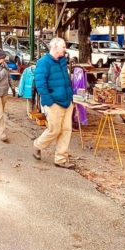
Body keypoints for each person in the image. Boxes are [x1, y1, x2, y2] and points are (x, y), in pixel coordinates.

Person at [32, 37, 75, 169]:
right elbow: (40, 84)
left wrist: (71, 97)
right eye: (63, 47)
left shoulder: (62, 61)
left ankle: (61, 159)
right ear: (55, 47)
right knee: (54, 130)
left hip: (67, 101)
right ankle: (38, 145)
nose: (65, 49)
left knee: (67, 130)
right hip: (54, 102)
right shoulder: (43, 62)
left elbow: (66, 80)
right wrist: (49, 101)